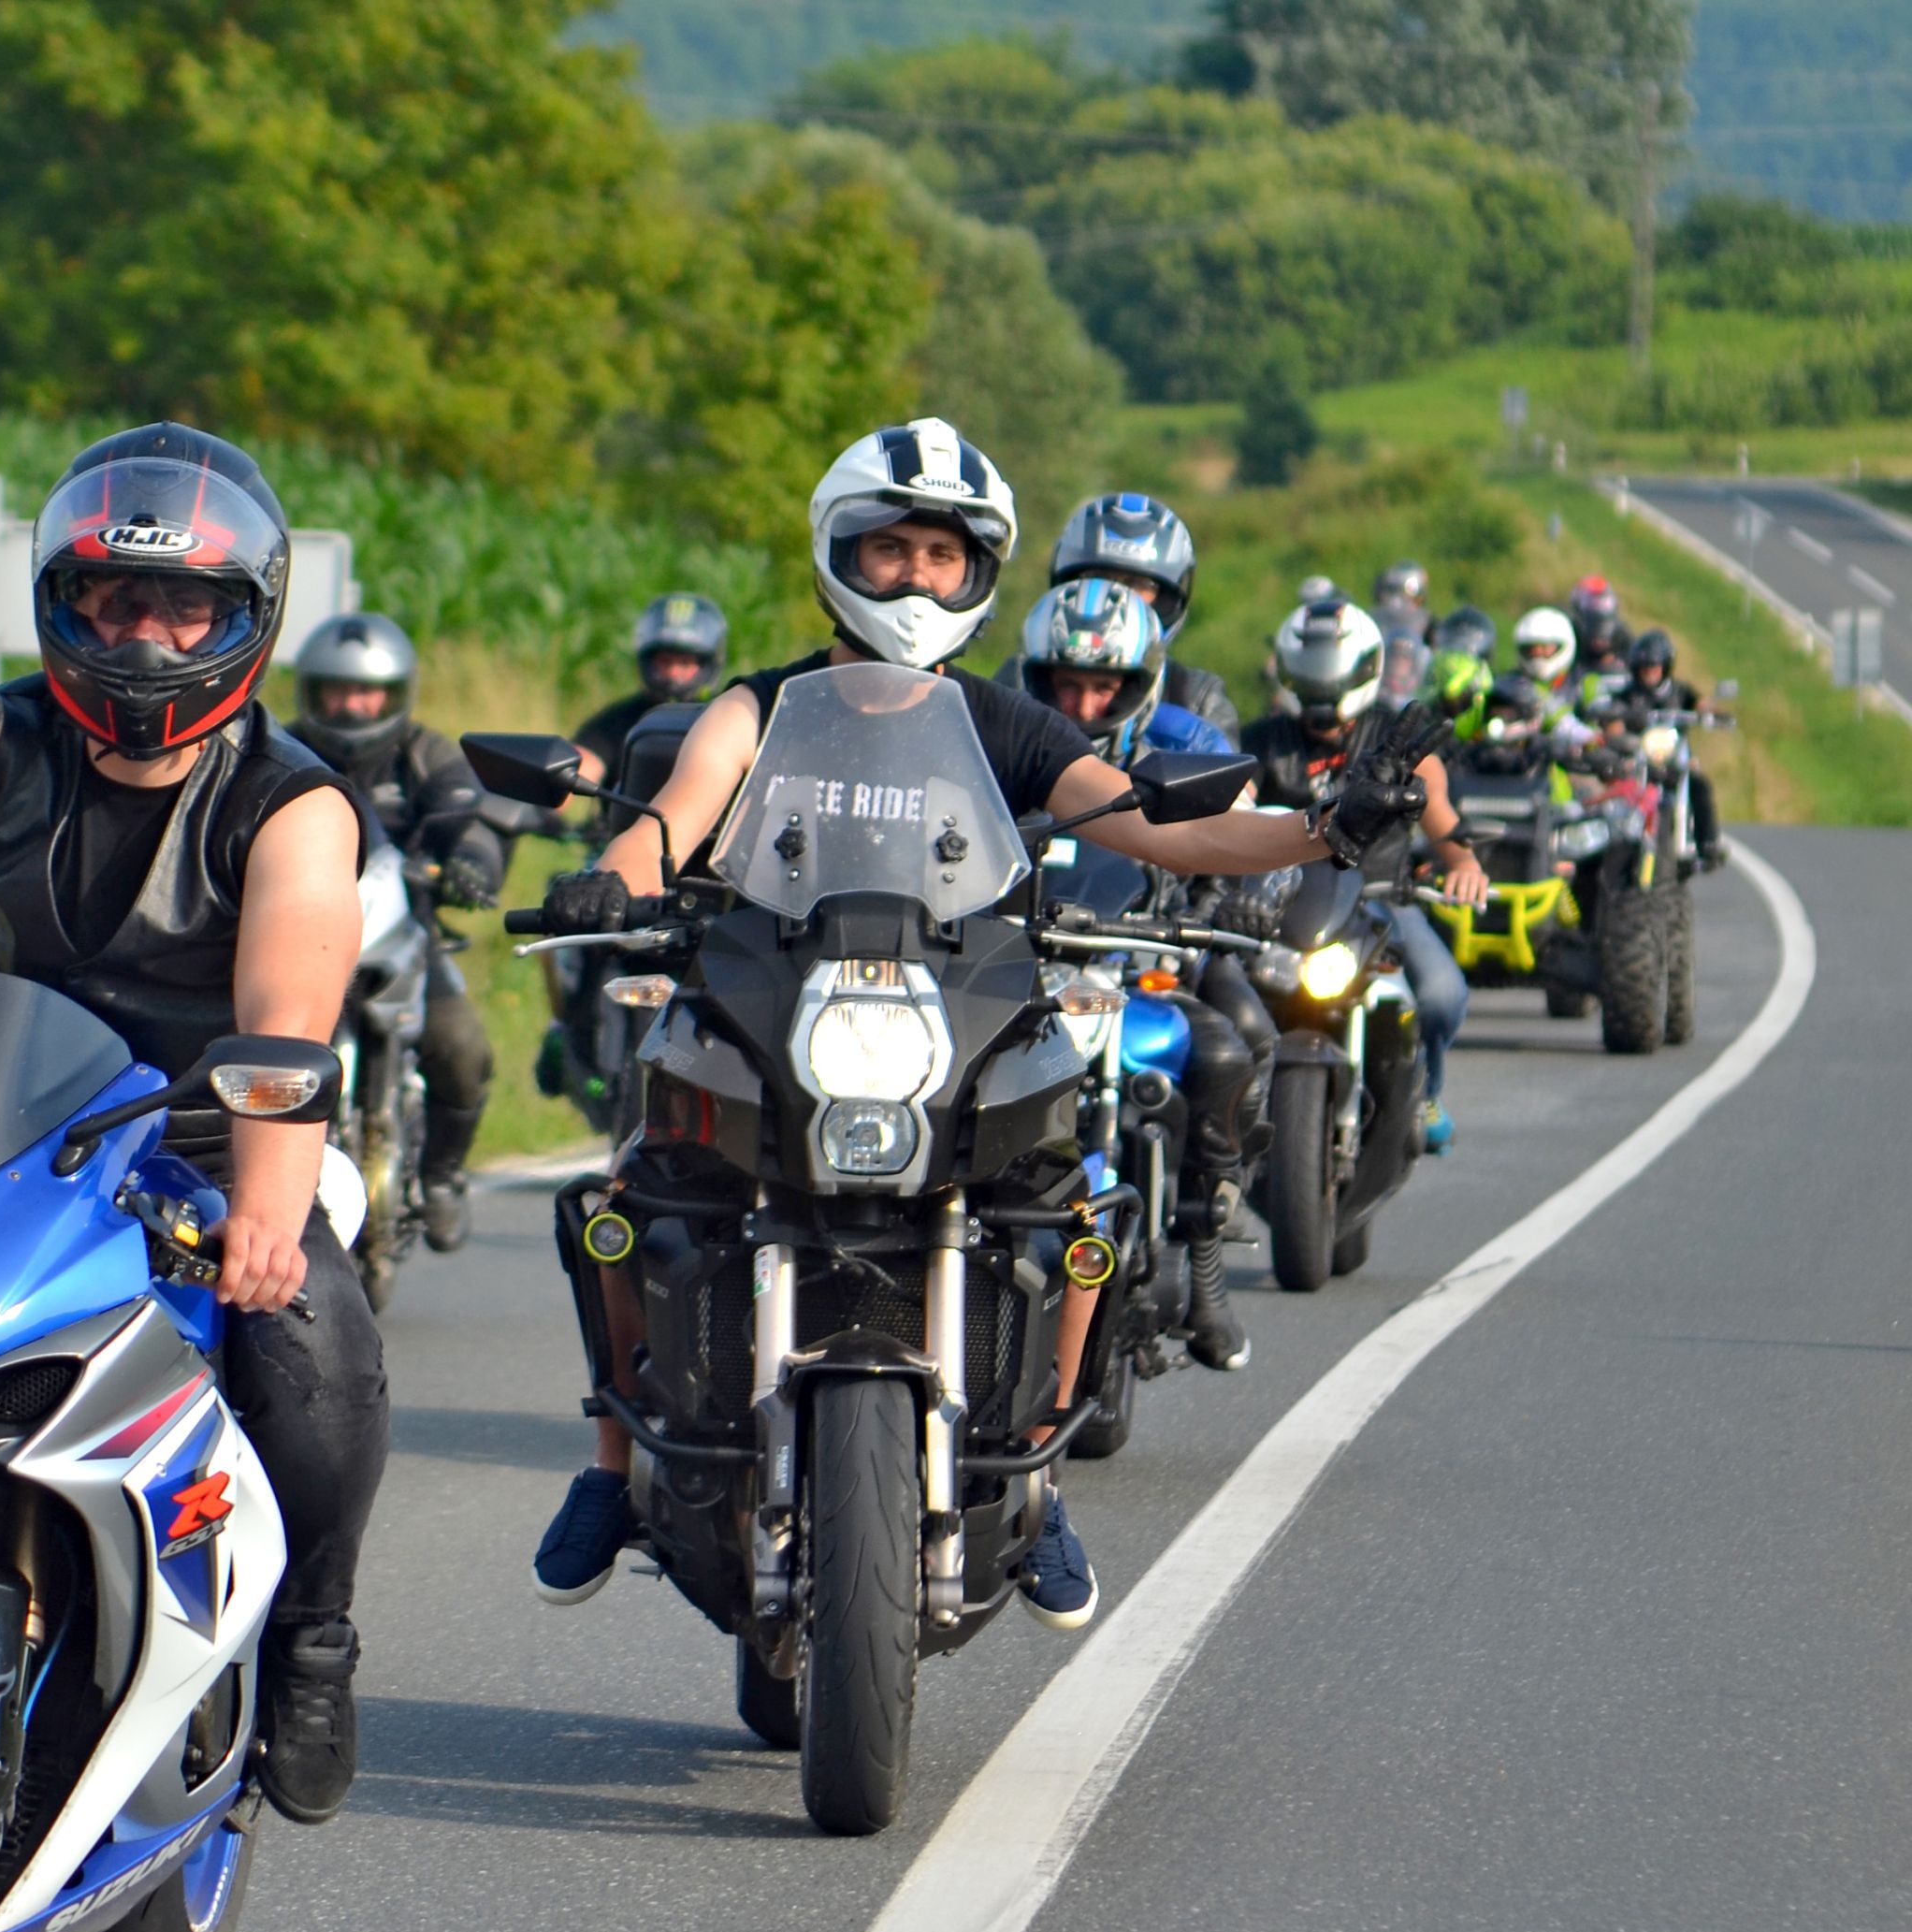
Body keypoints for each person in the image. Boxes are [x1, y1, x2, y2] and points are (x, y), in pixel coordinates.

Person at [529, 419, 1433, 1632]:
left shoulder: (1005, 725)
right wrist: (618, 874)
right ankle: (607, 1466)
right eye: (891, 547)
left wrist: (1324, 826)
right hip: (777, 1005)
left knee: (1069, 1202)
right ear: (840, 552)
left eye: (941, 557)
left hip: (952, 1014)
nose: (914, 575)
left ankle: (1041, 1479)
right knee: (629, 1191)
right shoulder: (759, 707)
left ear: (978, 576)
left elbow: (1158, 829)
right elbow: (677, 816)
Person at [0, 421, 384, 1824]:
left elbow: (287, 1019)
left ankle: (314, 1633)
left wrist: (273, 1212)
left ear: (248, 620)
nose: (153, 637)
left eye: (191, 607)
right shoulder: (8, 744)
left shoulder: (292, 809)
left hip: (212, 1146)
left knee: (312, 1336)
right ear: (67, 605)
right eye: (120, 599)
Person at [1009, 575, 1267, 1370]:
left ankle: (1207, 1270)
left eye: (1103, 686)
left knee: (1228, 1047)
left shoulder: (1188, 740)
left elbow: (1243, 823)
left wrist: (1228, 898)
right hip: (1021, 956)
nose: (1084, 705)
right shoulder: (997, 729)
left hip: (1145, 951)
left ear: (1139, 681)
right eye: (1067, 684)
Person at [285, 610, 502, 1251]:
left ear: (394, 693)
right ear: (312, 692)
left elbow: (472, 819)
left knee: (462, 1048)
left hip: (404, 932)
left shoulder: (426, 753)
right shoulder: (279, 747)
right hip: (300, 937)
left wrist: (470, 863)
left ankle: (441, 1176)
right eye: (337, 691)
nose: (353, 707)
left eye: (367, 692)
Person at [1239, 598, 1487, 1154]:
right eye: (1309, 693)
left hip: (1380, 902)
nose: (1319, 710)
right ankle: (1230, 1110)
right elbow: (1232, 808)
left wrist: (1465, 865)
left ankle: (1426, 1089)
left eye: (1329, 695)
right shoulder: (1260, 742)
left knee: (1444, 994)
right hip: (1282, 906)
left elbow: (1442, 818)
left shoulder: (1401, 740)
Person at [1045, 491, 1240, 732]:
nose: (1116, 594)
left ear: (1168, 599)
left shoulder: (1195, 699)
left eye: (1135, 583)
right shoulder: (1021, 678)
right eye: (1099, 578)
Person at [572, 592, 730, 786]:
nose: (673, 673)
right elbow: (582, 767)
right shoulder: (617, 721)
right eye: (665, 662)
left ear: (707, 665)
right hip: (629, 817)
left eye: (684, 663)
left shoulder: (727, 721)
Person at [1619, 628, 1726, 864]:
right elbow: (1612, 716)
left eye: (1654, 668)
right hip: (1640, 756)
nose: (1649, 674)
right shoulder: (1628, 695)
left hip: (1675, 755)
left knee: (1699, 784)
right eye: (1644, 668)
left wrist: (1713, 713)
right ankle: (1618, 840)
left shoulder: (1680, 691)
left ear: (1665, 667)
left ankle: (1707, 843)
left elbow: (1701, 704)